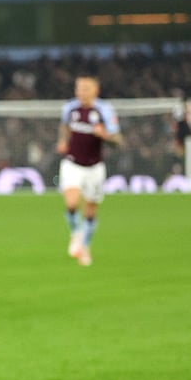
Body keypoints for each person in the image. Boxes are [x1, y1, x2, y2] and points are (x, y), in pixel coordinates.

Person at [55, 75, 122, 267]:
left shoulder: (105, 110)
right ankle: (76, 234)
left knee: (90, 212)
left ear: (95, 91)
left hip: (95, 167)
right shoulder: (69, 108)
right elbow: (64, 127)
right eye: (79, 88)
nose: (81, 92)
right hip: (72, 164)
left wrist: (105, 135)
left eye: (86, 88)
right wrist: (62, 141)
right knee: (72, 202)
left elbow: (118, 139)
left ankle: (85, 247)